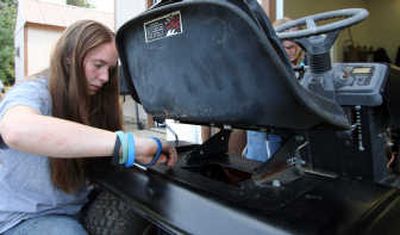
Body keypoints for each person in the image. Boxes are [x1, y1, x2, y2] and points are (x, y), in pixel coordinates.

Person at [0, 20, 177, 235]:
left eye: (110, 69)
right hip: (26, 219)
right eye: (98, 65)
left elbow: (95, 151)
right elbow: (16, 129)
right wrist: (129, 145)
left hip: (75, 207)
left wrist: (133, 156)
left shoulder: (90, 99)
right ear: (69, 58)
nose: (104, 78)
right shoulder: (33, 92)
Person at [244, 17, 304, 162]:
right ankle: (258, 167)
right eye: (285, 41)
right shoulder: (262, 69)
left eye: (294, 40)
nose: (289, 46)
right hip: (268, 128)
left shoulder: (303, 70)